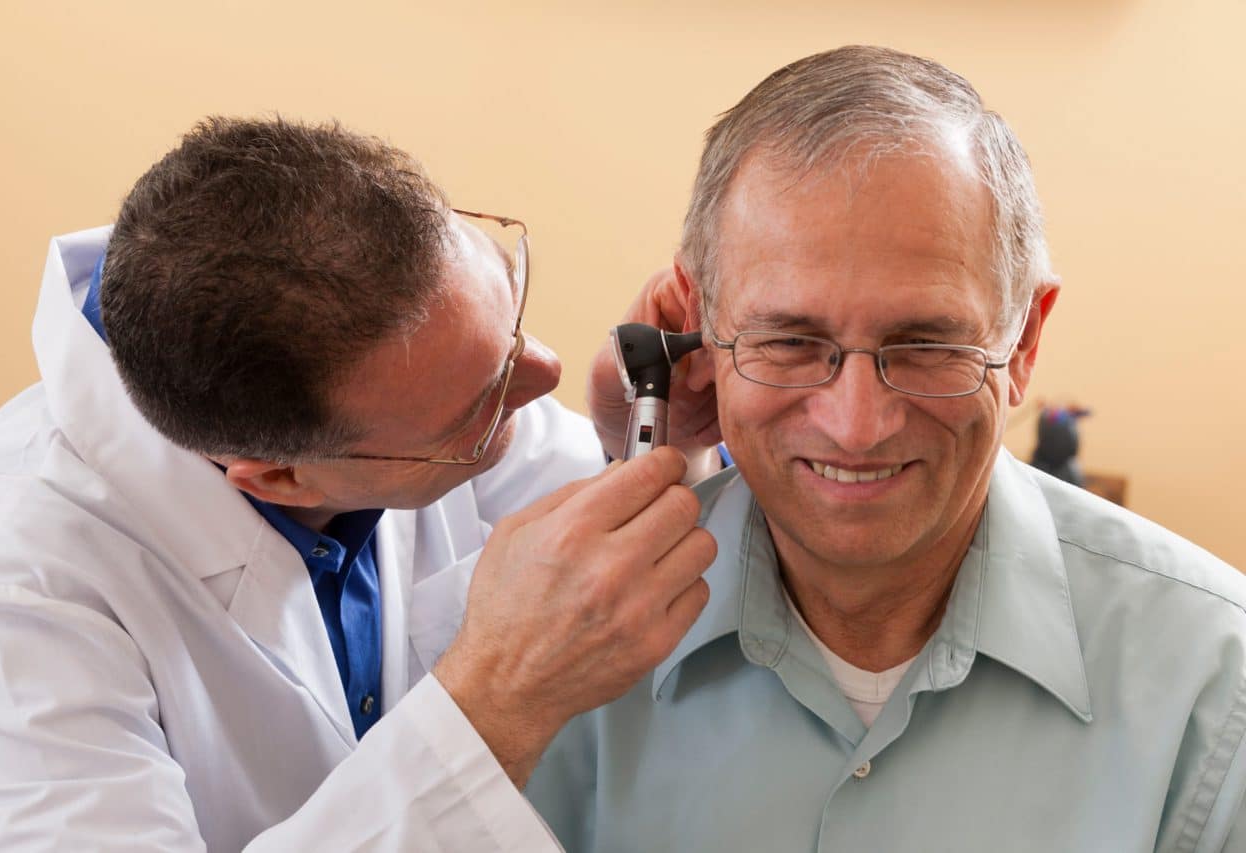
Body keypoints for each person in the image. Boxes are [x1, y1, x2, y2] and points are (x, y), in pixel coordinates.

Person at [530, 45, 1246, 851]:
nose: (857, 424)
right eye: (793, 341)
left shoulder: (1218, 690)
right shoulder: (556, 663)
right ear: (700, 324)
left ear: (1025, 343)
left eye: (923, 344)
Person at [0, 117, 716, 851]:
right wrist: (495, 703)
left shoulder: (385, 381)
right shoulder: (14, 606)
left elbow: (618, 537)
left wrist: (653, 434)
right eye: (483, 406)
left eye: (510, 309)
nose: (550, 372)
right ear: (281, 476)